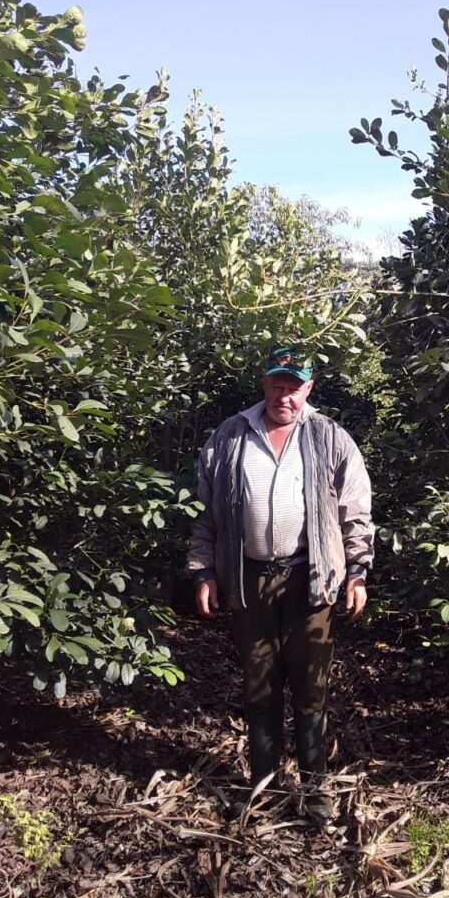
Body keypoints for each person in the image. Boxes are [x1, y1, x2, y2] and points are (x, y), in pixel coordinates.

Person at [187, 344, 374, 822]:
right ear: (264, 384)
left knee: (311, 685)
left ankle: (315, 791)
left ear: (309, 388)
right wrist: (204, 572)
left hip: (309, 579)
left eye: (294, 387)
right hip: (247, 580)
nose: (284, 396)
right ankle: (264, 786)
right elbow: (204, 514)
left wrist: (357, 573)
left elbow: (356, 513)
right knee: (259, 685)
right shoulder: (230, 436)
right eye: (276, 385)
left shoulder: (330, 438)